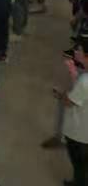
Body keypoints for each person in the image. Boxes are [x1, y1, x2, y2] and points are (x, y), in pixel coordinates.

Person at [55, 39, 88, 185]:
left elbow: (69, 102)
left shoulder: (85, 81)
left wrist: (60, 94)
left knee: (79, 163)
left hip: (80, 134)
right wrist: (74, 74)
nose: (75, 51)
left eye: (79, 50)